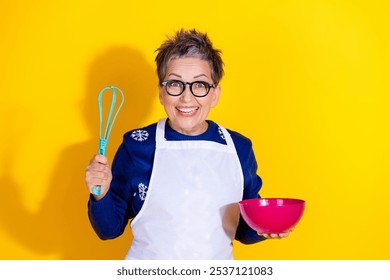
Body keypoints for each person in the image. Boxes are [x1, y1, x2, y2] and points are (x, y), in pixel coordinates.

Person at [85, 29, 291, 260]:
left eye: (200, 85)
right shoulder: (136, 145)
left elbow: (243, 231)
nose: (186, 97)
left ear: (215, 94)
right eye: (175, 84)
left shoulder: (239, 148)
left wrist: (266, 227)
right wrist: (100, 195)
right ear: (162, 93)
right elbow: (108, 230)